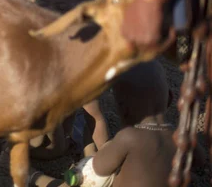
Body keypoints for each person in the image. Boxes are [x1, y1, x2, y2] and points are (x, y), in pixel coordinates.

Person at [29, 60, 199, 187]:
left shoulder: (128, 138)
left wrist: (89, 160)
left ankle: (33, 177)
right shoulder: (182, 136)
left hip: (91, 163)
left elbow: (97, 168)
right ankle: (85, 141)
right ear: (170, 98)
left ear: (122, 109)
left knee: (73, 183)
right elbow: (201, 159)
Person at [32, 0, 110, 160]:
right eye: (44, 3)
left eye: (61, 8)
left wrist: (103, 161)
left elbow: (95, 119)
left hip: (53, 143)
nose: (50, 11)